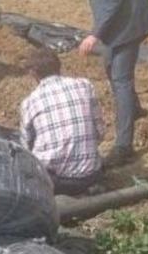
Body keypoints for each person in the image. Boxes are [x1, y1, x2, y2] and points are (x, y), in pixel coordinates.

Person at [67, 0, 148, 167]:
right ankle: (134, 110)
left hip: (128, 27)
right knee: (111, 66)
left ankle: (123, 146)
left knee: (121, 80)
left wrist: (94, 35)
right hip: (124, 25)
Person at [19, 47, 105, 195]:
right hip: (91, 175)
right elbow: (100, 132)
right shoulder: (85, 86)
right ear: (59, 66)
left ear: (33, 73)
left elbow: (26, 150)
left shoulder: (30, 102)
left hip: (55, 181)